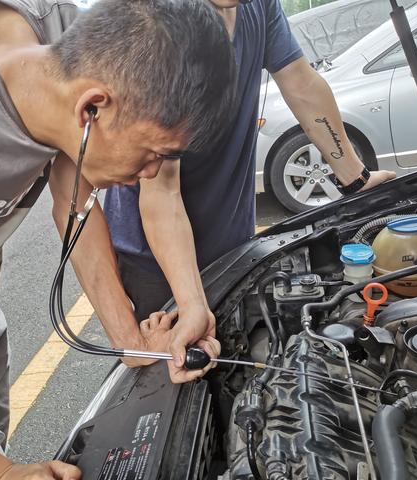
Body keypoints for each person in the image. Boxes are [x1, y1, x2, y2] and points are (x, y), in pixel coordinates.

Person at [0, 0, 236, 478]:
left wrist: (139, 336)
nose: (149, 173)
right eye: (152, 155)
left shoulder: (71, 44)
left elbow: (75, 200)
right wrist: (3, 474)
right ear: (91, 108)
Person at [102, 0, 398, 367]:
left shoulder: (260, 6)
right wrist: (191, 304)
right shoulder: (160, 28)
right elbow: (161, 191)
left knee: (241, 356)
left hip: (233, 239)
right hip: (156, 259)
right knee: (178, 375)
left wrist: (356, 179)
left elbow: (302, 84)